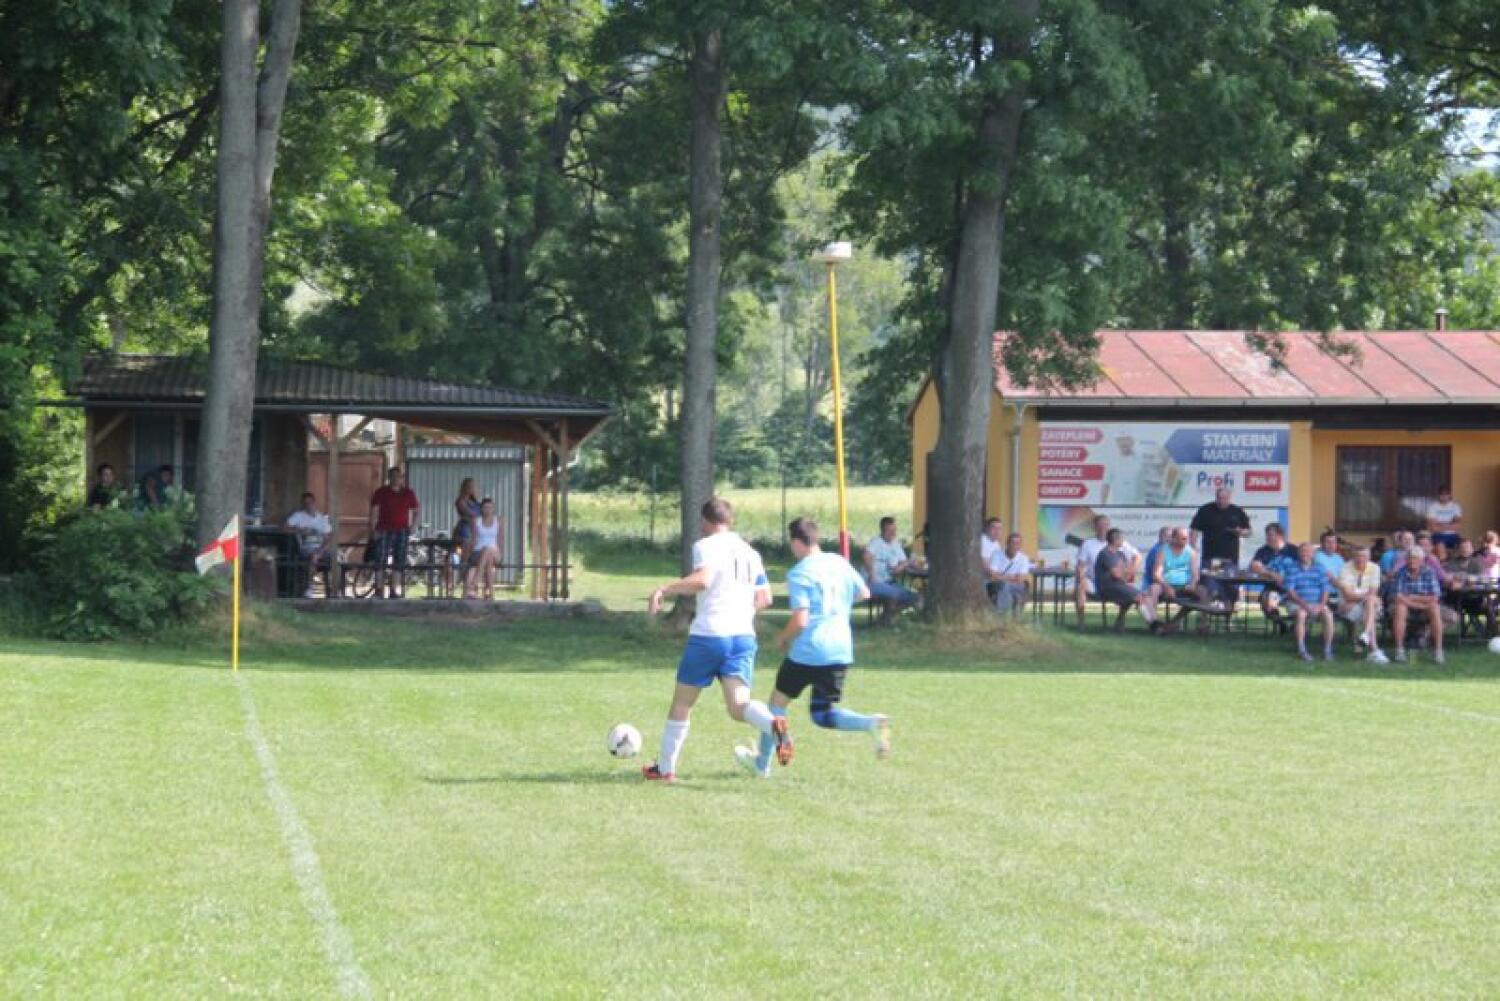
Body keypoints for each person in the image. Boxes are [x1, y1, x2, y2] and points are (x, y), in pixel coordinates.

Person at [642, 498, 789, 782]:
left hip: (709, 635)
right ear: (730, 521)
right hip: (743, 636)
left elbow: (703, 580)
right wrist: (742, 613)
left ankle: (665, 769)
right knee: (738, 706)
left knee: (682, 703)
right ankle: (773, 723)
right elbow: (765, 598)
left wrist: (664, 589)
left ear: (704, 521)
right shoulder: (750, 552)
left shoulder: (705, 545)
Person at [735, 517, 888, 778]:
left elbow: (801, 620)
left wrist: (783, 638)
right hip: (840, 649)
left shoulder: (799, 573)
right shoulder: (839, 562)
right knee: (822, 714)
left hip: (809, 650)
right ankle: (870, 723)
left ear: (797, 542)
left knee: (777, 703)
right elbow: (864, 593)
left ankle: (762, 764)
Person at [1074, 514, 1138, 626]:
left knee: (1131, 590)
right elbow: (1081, 565)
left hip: (1115, 581)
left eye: (1106, 525)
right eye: (1100, 525)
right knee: (1081, 586)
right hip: (1093, 580)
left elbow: (1136, 556)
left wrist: (1130, 572)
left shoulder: (1119, 542)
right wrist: (1081, 577)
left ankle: (1120, 619)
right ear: (1095, 527)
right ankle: (1081, 622)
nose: (1103, 528)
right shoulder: (1088, 544)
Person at [368, 466, 420, 599]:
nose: (396, 479)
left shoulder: (408, 493)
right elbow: (374, 511)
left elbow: (416, 510)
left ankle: (394, 589)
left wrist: (413, 526)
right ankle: (379, 589)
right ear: (389, 478)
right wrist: (373, 529)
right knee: (380, 558)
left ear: (402, 478)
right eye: (393, 476)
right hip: (383, 529)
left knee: (399, 559)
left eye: (398, 476)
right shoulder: (381, 492)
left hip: (402, 530)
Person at [1147, 527, 1212, 632]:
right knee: (1153, 589)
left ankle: (1201, 624)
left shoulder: (1191, 552)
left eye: (1186, 538)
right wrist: (1166, 586)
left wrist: (1192, 584)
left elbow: (1195, 573)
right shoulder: (1163, 551)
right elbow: (1156, 574)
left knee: (1203, 591)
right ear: (1174, 538)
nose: (1186, 541)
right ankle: (1154, 624)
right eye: (1183, 538)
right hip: (1166, 584)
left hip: (1185, 585)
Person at [1390, 546, 1445, 665]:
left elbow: (1435, 596)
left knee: (1435, 608)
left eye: (1415, 559)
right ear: (1406, 560)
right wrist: (1419, 603)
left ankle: (1438, 651)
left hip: (1424, 604)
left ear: (1421, 560)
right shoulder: (1401, 572)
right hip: (1407, 605)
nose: (1412, 561)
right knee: (1399, 608)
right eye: (1409, 558)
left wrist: (1411, 597)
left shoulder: (1429, 572)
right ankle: (1399, 650)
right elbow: (1398, 597)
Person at [1095, 528, 1158, 630]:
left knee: (1144, 596)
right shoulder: (1106, 554)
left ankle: (1155, 622)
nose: (1123, 541)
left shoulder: (1120, 554)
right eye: (1121, 539)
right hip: (1108, 588)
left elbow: (1126, 574)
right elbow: (1117, 575)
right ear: (1115, 540)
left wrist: (1126, 573)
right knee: (1139, 598)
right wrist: (1126, 572)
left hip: (1120, 585)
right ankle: (1154, 626)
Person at [1283, 542, 1336, 662]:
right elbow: (1290, 591)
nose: (1305, 554)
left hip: (1317, 603)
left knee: (1328, 614)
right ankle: (1301, 649)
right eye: (1302, 551)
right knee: (1301, 614)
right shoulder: (1292, 568)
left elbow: (1325, 589)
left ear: (1313, 554)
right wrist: (1305, 605)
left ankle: (1327, 650)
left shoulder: (1320, 568)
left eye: (1308, 552)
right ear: (1298, 553)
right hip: (1297, 602)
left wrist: (1321, 605)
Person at [863, 516, 920, 621]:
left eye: (894, 530)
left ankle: (885, 618)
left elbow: (903, 561)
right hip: (875, 583)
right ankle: (885, 619)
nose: (893, 534)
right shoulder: (876, 542)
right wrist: (872, 575)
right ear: (883, 531)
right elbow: (866, 556)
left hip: (890, 582)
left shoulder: (895, 544)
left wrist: (912, 563)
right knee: (895, 594)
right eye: (890, 531)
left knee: (915, 598)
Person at [1337, 546, 1386, 663]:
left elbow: (1373, 592)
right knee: (1370, 608)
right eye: (1357, 556)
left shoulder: (1375, 568)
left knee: (1370, 605)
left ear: (1369, 557)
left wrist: (1361, 596)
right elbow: (1348, 596)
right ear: (1352, 557)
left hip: (1365, 605)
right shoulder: (1345, 568)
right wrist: (1366, 596)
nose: (1360, 559)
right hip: (1348, 606)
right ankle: (1373, 648)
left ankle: (1367, 640)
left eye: (1364, 556)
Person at [286, 491, 334, 599]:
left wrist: (320, 551)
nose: (308, 505)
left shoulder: (322, 519)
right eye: (306, 503)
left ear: (314, 502)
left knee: (335, 558)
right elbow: (284, 528)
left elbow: (329, 537)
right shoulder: (298, 516)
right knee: (313, 556)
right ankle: (309, 588)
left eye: (310, 502)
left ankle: (335, 589)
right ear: (303, 504)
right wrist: (299, 530)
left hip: (321, 549)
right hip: (306, 548)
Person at [1190, 487, 1251, 568]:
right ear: (1216, 497)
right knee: (1208, 576)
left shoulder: (1237, 511)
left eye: (1224, 498)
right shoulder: (1205, 510)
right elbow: (1194, 529)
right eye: (1219, 498)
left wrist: (1241, 532)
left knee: (1230, 576)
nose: (1222, 501)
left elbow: (1248, 532)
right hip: (1209, 558)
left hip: (1230, 559)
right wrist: (1193, 546)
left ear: (1229, 498)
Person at [464, 497, 502, 600]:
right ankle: (490, 593)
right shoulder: (477, 521)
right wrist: (469, 553)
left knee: (488, 549)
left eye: (490, 507)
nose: (488, 510)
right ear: (481, 509)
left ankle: (475, 583)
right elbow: (474, 538)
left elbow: (500, 539)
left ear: (493, 508)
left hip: (495, 551)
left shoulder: (498, 520)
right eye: (485, 507)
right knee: (488, 561)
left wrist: (500, 553)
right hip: (478, 551)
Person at [986, 532, 1032, 614]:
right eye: (1013, 543)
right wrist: (1010, 577)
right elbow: (992, 575)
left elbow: (1020, 579)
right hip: (998, 585)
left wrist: (1000, 575)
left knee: (1016, 586)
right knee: (1005, 586)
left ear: (1020, 545)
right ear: (1007, 544)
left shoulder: (1024, 558)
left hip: (1016, 586)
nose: (1015, 546)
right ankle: (1004, 612)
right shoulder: (997, 554)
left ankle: (1002, 612)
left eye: (1018, 543)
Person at [452, 477, 482, 568]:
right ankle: (462, 568)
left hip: (476, 528)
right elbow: (469, 513)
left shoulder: (475, 501)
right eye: (469, 486)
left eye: (473, 487)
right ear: (464, 487)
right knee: (464, 550)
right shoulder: (461, 501)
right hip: (466, 527)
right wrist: (477, 515)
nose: (471, 488)